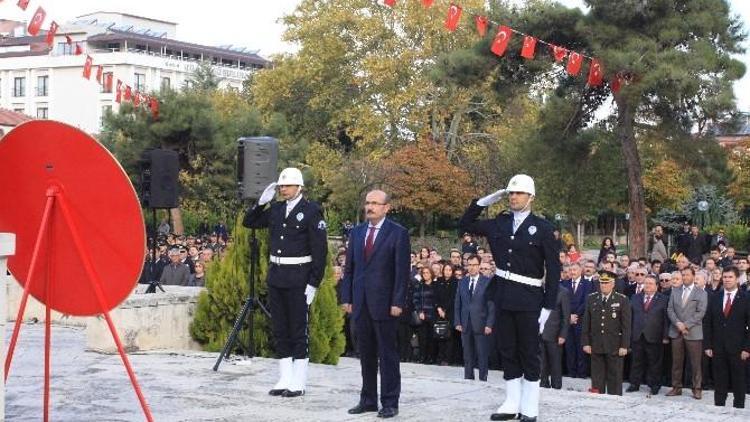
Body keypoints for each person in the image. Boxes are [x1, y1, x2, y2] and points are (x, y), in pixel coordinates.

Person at [460, 174, 559, 422]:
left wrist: (548, 305)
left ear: (531, 197)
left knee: (529, 351)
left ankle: (529, 406)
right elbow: (465, 224)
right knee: (507, 350)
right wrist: (484, 201)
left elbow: (554, 271)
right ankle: (511, 402)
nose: (514, 197)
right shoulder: (499, 224)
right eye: (511, 193)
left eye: (519, 193)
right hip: (503, 296)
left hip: (529, 299)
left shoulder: (544, 228)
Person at [243, 167, 328, 398]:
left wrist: (314, 282)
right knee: (280, 328)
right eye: (281, 186)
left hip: (299, 276)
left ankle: (298, 380)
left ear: (299, 187)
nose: (283, 189)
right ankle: (285, 377)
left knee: (298, 329)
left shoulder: (311, 211)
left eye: (287, 186)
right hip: (277, 274)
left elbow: (320, 251)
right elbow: (249, 222)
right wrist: (261, 203)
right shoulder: (277, 209)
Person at [341, 190, 410, 419]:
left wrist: (398, 301)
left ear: (386, 207)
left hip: (386, 304)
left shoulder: (398, 233)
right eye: (367, 203)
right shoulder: (358, 232)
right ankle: (368, 400)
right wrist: (347, 298)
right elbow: (349, 269)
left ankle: (390, 402)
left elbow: (401, 272)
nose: (369, 207)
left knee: (387, 355)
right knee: (366, 354)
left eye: (375, 203)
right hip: (361, 303)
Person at [703, 266, 750, 408]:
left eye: (730, 277)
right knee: (720, 381)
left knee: (738, 381)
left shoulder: (746, 298)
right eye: (725, 277)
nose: (727, 280)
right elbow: (708, 322)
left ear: (736, 279)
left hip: (738, 349)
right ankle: (718, 408)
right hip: (718, 348)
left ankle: (739, 408)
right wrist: (708, 345)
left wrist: (747, 348)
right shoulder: (715, 297)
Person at [581, 271, 632, 395]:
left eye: (606, 283)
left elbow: (626, 326)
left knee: (614, 377)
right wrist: (586, 343)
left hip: (614, 345)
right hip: (596, 343)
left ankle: (615, 403)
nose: (603, 285)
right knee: (597, 377)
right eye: (601, 283)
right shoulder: (592, 298)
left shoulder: (621, 300)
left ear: (613, 284)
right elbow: (586, 323)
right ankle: (598, 401)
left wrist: (624, 345)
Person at [666, 267, 707, 400]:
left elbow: (700, 312)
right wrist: (678, 323)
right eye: (682, 275)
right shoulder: (675, 291)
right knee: (676, 362)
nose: (684, 277)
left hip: (693, 332)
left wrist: (686, 325)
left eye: (687, 275)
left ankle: (697, 388)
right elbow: (670, 309)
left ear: (693, 276)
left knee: (695, 363)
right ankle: (676, 387)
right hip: (676, 331)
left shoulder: (701, 293)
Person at [454, 255, 495, 381]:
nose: (471, 268)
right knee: (467, 354)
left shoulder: (487, 282)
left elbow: (491, 305)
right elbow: (457, 304)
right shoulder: (462, 282)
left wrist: (489, 324)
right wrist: (457, 321)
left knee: (482, 354)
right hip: (465, 323)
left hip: (481, 323)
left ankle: (483, 378)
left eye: (474, 265)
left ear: (479, 266)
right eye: (469, 265)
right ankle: (468, 377)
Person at [626, 274, 669, 395]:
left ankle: (654, 385)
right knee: (636, 361)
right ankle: (634, 383)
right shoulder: (635, 297)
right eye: (646, 283)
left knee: (654, 362)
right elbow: (630, 317)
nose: (648, 286)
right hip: (637, 334)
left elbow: (666, 319)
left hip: (655, 336)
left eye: (650, 283)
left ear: (656, 286)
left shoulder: (663, 299)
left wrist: (665, 336)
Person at [561, 262, 594, 379]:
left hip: (581, 321)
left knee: (581, 348)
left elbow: (586, 302)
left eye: (575, 270)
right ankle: (571, 372)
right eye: (570, 270)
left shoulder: (588, 284)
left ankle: (581, 373)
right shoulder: (564, 284)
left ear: (581, 271)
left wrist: (575, 315)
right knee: (569, 348)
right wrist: (569, 316)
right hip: (567, 321)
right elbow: (562, 302)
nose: (572, 272)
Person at [539, 284, 570, 389]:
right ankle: (543, 383)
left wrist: (563, 334)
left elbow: (566, 316)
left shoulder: (563, 292)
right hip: (539, 332)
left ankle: (556, 386)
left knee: (555, 363)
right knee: (542, 361)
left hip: (555, 333)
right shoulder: (538, 288)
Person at [413, 267, 438, 364]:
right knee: (423, 338)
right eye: (424, 273)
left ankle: (431, 358)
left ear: (431, 273)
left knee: (432, 338)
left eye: (427, 272)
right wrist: (419, 312)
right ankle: (423, 357)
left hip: (433, 315)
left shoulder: (435, 286)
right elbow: (416, 300)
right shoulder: (420, 286)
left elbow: (438, 300)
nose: (426, 274)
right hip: (423, 315)